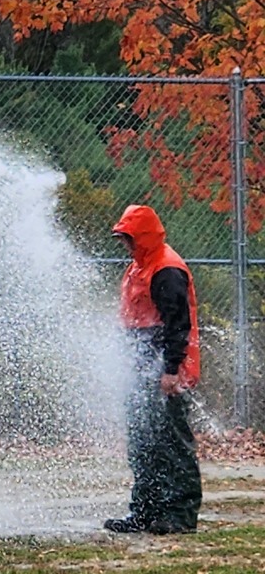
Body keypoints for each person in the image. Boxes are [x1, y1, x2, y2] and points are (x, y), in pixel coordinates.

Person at [104, 204, 203, 535]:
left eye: (129, 239)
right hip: (144, 368)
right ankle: (145, 511)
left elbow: (178, 325)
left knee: (171, 442)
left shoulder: (165, 270)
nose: (125, 246)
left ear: (143, 237)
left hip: (167, 371)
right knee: (143, 442)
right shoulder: (140, 267)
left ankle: (180, 513)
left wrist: (172, 370)